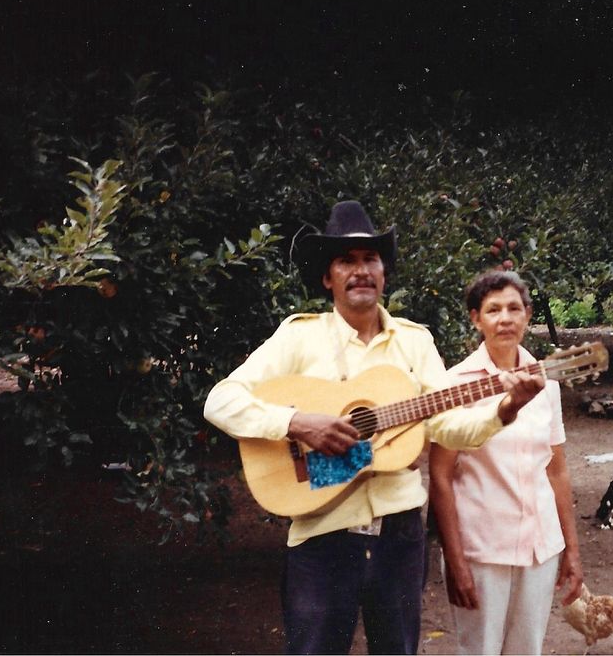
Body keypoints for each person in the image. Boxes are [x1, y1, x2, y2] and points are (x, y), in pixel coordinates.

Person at [203, 201, 545, 655]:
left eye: (370, 260)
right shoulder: (299, 336)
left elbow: (446, 425)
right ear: (328, 277)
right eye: (347, 260)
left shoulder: (414, 341)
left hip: (399, 538)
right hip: (321, 532)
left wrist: (505, 409)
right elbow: (219, 401)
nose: (360, 270)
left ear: (384, 274)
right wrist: (295, 422)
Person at [428, 269, 584, 655]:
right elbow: (441, 476)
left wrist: (571, 549)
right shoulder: (454, 382)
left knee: (526, 650)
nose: (505, 319)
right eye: (493, 309)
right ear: (475, 318)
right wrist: (455, 560)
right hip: (481, 549)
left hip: (539, 546)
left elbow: (556, 468)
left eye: (515, 308)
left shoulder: (546, 382)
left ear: (528, 316)